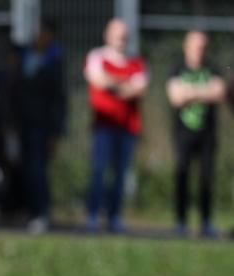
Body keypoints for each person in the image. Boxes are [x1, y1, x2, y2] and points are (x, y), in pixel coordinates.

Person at [83, 18, 149, 233]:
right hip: (104, 126)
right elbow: (98, 81)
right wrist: (125, 82)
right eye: (117, 34)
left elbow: (139, 88)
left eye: (124, 35)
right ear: (107, 35)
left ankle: (115, 216)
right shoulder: (97, 57)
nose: (121, 39)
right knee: (99, 171)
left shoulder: (137, 62)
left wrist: (113, 83)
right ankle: (93, 214)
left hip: (127, 127)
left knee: (121, 174)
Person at [165, 30, 226, 238]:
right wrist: (204, 91)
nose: (200, 50)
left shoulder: (213, 68)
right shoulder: (177, 68)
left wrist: (189, 91)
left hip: (207, 134)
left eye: (203, 46)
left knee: (207, 178)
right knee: (182, 175)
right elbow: (175, 97)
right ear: (186, 46)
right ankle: (181, 221)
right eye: (196, 46)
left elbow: (220, 92)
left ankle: (206, 221)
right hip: (183, 133)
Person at [15, 19, 66, 234]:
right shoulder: (24, 56)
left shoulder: (54, 62)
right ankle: (28, 210)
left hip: (42, 126)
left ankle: (42, 213)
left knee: (38, 170)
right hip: (23, 123)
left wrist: (56, 131)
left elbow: (59, 99)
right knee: (26, 169)